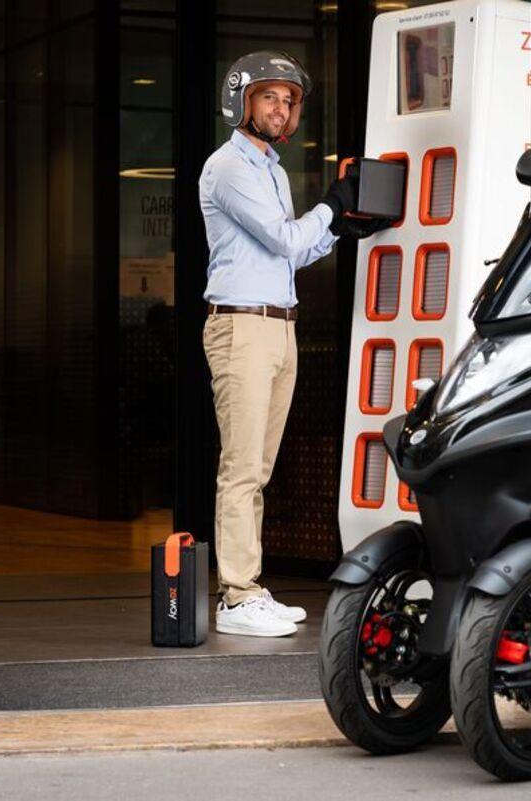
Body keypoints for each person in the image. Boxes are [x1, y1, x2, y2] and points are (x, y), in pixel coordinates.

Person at [199, 51, 385, 637]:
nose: (280, 109)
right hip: (241, 327)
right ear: (242, 101)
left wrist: (339, 228)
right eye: (269, 97)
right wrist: (331, 203)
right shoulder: (227, 167)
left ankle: (249, 588)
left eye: (289, 100)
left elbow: (296, 251)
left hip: (281, 324)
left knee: (262, 465)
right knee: (242, 467)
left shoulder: (273, 172)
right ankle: (237, 595)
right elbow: (282, 239)